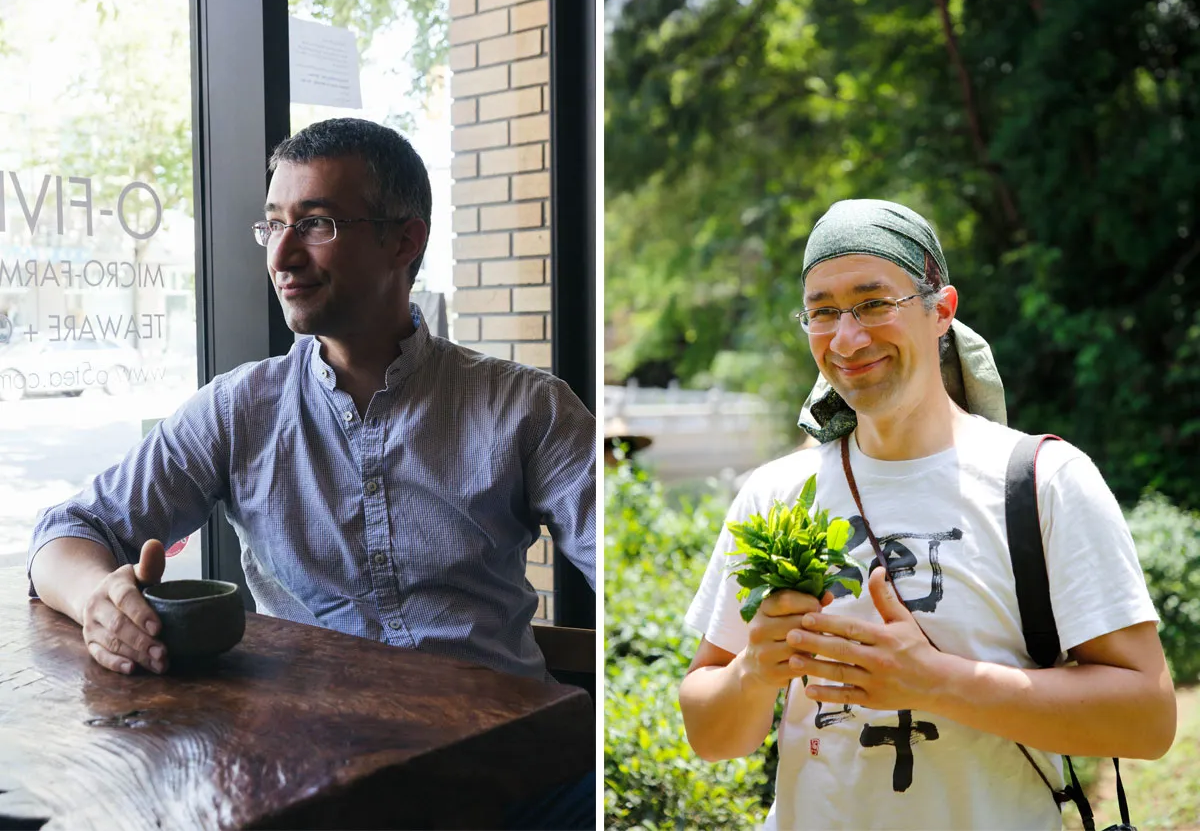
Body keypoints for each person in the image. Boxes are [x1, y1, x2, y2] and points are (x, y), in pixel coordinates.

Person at [27, 117, 596, 686]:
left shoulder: (528, 409)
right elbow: (68, 530)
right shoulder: (237, 410)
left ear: (404, 240)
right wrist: (97, 602)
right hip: (307, 756)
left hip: (500, 756)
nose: (281, 256)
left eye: (315, 224)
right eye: (273, 225)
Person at [679, 199, 1175, 830]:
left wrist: (934, 681)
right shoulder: (777, 493)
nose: (847, 338)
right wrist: (753, 672)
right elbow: (709, 733)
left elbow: (1148, 719)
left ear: (940, 309)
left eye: (873, 303)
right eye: (823, 312)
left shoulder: (1042, 482)